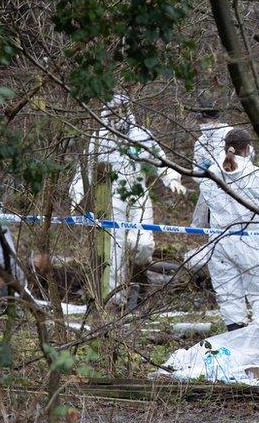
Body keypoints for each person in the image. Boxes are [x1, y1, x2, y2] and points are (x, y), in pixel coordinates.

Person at [69, 94, 186, 306]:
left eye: (120, 112)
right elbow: (83, 171)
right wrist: (76, 196)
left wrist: (172, 178)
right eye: (113, 114)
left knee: (142, 244)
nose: (117, 118)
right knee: (115, 251)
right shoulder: (99, 139)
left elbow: (161, 161)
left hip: (138, 196)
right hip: (111, 200)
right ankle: (116, 301)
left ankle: (139, 273)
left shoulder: (141, 136)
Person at [198, 128, 259, 330]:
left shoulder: (210, 173)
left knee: (229, 295)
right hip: (251, 242)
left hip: (219, 243)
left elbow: (204, 208)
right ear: (248, 149)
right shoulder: (256, 175)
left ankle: (238, 343)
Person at [190, 102, 232, 227]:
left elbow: (246, 156)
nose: (203, 124)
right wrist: (203, 173)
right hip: (209, 188)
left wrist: (221, 167)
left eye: (205, 120)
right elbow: (195, 169)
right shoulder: (200, 142)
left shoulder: (230, 134)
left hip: (232, 187)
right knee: (211, 227)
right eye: (201, 121)